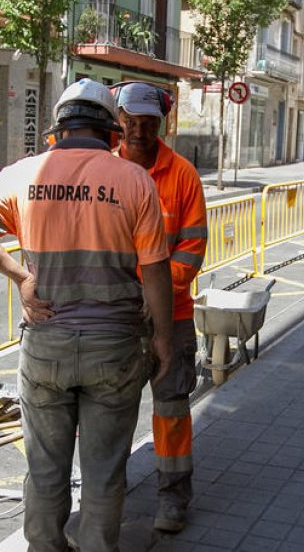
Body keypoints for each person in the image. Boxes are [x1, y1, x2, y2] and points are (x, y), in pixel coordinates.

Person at [0, 78, 174, 552]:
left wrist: (19, 276)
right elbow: (154, 271)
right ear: (111, 132)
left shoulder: (25, 173)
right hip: (113, 348)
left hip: (45, 343)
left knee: (44, 469)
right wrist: (163, 342)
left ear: (58, 129)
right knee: (104, 471)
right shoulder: (134, 180)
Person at [110, 81, 207, 534]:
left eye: (148, 124)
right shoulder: (105, 170)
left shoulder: (183, 174)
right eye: (131, 122)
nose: (139, 132)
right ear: (120, 121)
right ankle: (107, 499)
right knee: (111, 412)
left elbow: (190, 250)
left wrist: (154, 296)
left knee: (170, 408)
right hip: (121, 318)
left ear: (161, 124)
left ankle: (173, 498)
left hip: (173, 316)